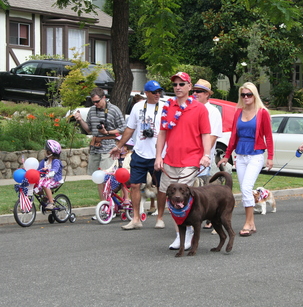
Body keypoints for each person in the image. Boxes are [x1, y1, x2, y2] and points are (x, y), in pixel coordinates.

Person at [154, 72, 211, 250]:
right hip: (171, 160)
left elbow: (205, 134)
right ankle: (180, 235)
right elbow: (162, 133)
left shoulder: (200, 109)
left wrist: (206, 155)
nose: (177, 87)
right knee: (172, 198)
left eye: (181, 84)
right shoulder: (167, 107)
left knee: (184, 199)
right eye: (175, 85)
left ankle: (189, 235)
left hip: (191, 160)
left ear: (189, 86)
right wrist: (158, 156)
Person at [217, 82, 274, 237]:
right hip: (240, 155)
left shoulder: (262, 112)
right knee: (244, 189)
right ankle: (252, 223)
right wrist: (227, 155)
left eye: (249, 94)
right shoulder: (238, 112)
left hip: (255, 154)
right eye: (243, 95)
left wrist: (270, 157)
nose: (246, 97)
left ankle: (248, 223)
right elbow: (234, 136)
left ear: (254, 95)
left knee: (247, 188)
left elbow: (268, 136)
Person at [109, 80, 164, 230]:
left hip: (158, 154)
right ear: (146, 93)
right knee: (134, 185)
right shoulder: (138, 107)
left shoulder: (165, 107)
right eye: (154, 92)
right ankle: (136, 219)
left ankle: (159, 217)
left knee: (161, 187)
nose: (158, 94)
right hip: (140, 153)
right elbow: (130, 128)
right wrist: (119, 146)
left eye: (159, 91)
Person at [74, 87, 126, 205]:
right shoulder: (92, 110)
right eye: (93, 102)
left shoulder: (114, 109)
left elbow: (123, 128)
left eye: (97, 101)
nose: (96, 104)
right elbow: (89, 130)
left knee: (107, 177)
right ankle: (104, 205)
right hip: (95, 147)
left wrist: (107, 132)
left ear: (104, 98)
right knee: (98, 178)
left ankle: (113, 203)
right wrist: (80, 120)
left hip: (109, 147)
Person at [191, 79, 223, 230]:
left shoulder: (213, 112)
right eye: (194, 91)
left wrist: (202, 154)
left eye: (198, 91)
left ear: (207, 94)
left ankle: (212, 216)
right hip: (189, 156)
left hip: (203, 157)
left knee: (204, 188)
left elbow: (212, 136)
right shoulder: (191, 108)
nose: (195, 94)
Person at [34, 140, 64, 210]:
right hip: (46, 179)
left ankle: (51, 202)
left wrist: (49, 171)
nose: (44, 151)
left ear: (50, 152)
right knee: (35, 186)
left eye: (46, 150)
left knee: (44, 184)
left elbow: (55, 170)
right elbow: (38, 169)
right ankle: (45, 197)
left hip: (55, 180)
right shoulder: (44, 161)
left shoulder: (56, 161)